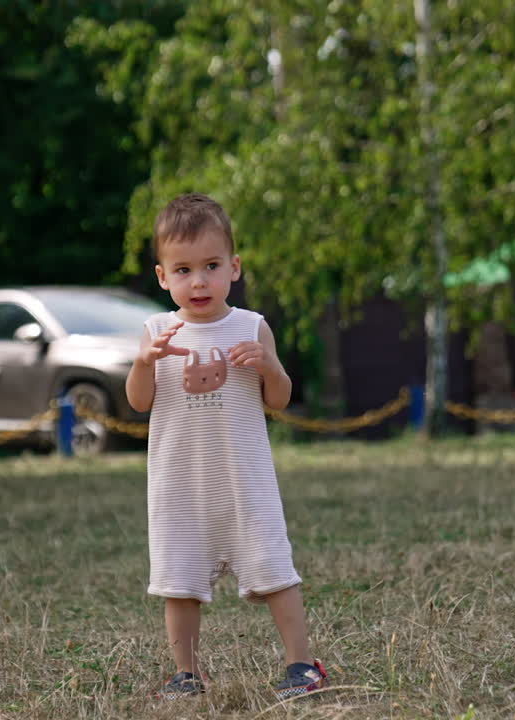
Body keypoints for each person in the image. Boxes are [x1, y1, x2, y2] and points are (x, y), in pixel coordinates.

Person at [125, 192, 328, 701]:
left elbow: (278, 401)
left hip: (245, 479)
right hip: (180, 484)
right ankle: (186, 673)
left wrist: (269, 367)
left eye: (211, 266)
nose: (199, 281)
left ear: (233, 268)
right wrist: (144, 362)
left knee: (275, 570)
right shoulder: (157, 331)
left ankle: (301, 665)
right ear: (162, 277)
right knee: (179, 579)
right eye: (185, 269)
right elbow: (139, 402)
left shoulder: (251, 326)